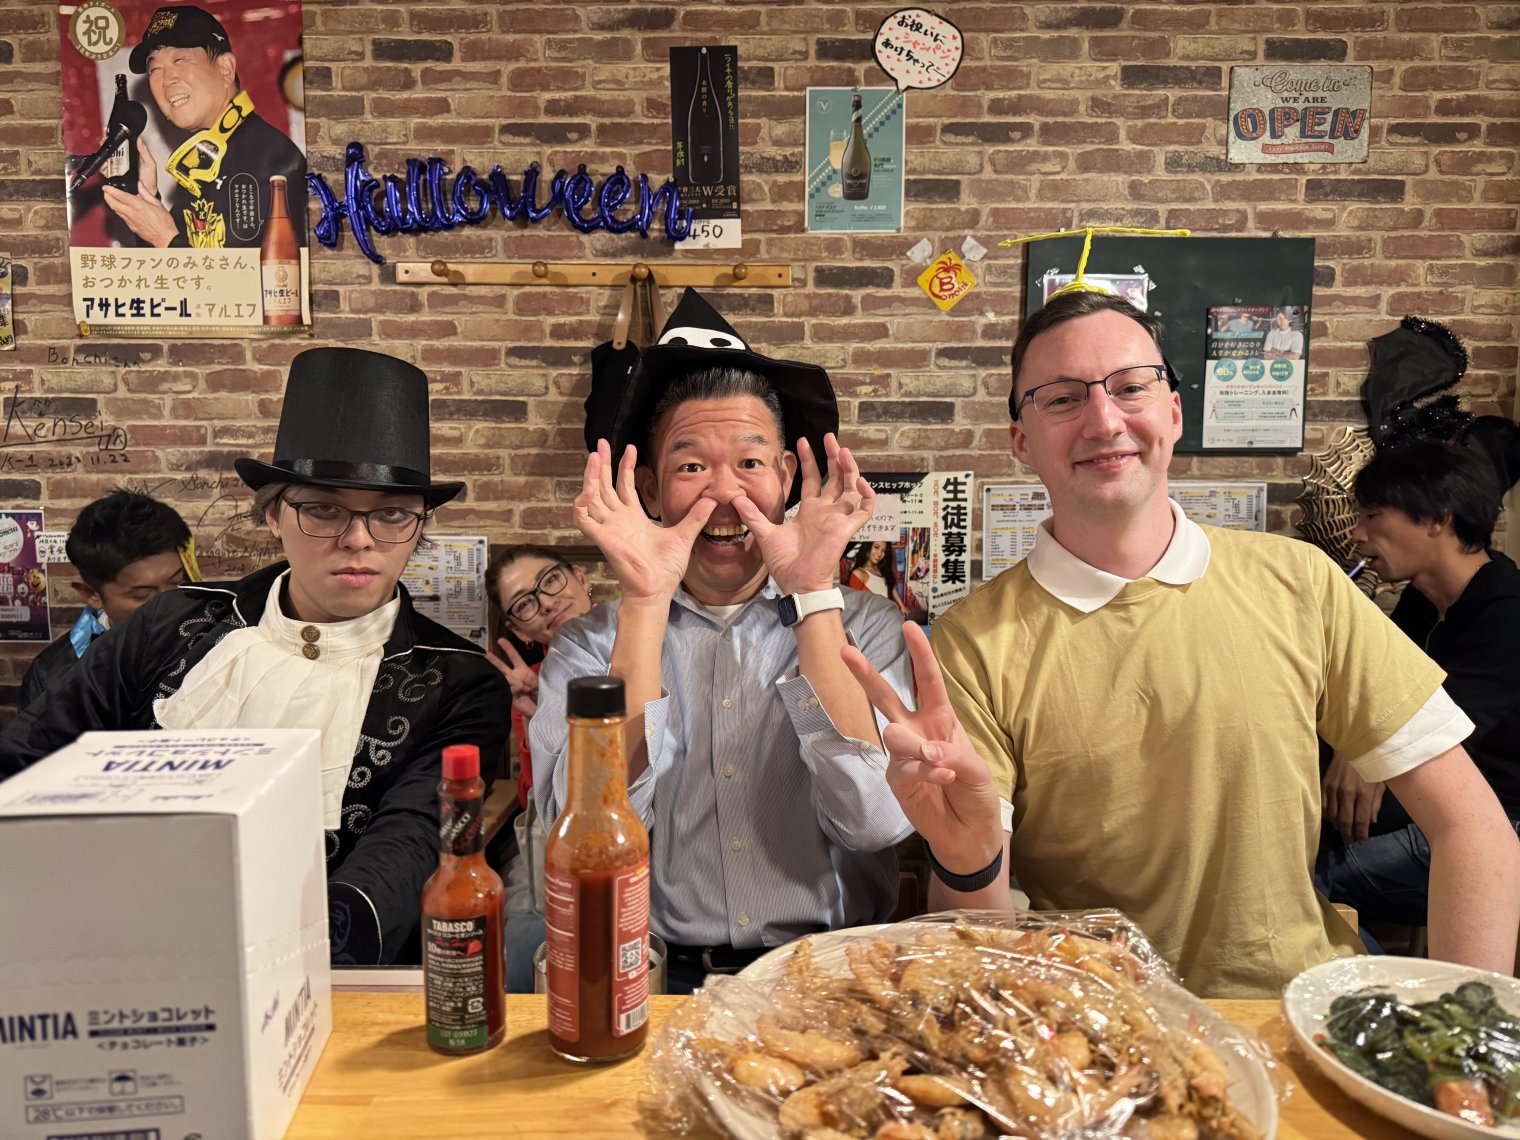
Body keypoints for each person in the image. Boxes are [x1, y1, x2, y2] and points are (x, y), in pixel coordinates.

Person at [843, 290, 1520, 998]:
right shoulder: (969, 645)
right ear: (1022, 440)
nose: (1105, 420)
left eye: (1131, 387)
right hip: (1094, 1038)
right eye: (1063, 399)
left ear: (1172, 411)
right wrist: (967, 862)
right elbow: (978, 931)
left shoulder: (1302, 584)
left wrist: (1469, 1040)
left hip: (1293, 1020)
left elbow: (1473, 828)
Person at [0, 348, 508, 966]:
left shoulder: (458, 678)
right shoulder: (173, 622)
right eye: (323, 508)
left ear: (419, 526)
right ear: (274, 514)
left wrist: (287, 958)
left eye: (393, 515)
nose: (358, 539)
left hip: (326, 974)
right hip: (112, 942)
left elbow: (410, 844)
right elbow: (38, 754)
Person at [533, 288, 914, 993]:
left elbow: (875, 819)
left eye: (749, 463)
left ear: (788, 478)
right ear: (648, 487)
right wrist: (645, 601)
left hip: (831, 980)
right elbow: (582, 838)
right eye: (689, 466)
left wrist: (811, 593)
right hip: (653, 985)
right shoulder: (588, 649)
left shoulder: (868, 630)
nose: (724, 494)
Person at [1319, 440, 1520, 924]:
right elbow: (1375, 694)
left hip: (1497, 820)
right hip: (1426, 797)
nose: (1357, 536)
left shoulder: (1509, 614)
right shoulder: (1422, 601)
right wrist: (1352, 749)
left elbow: (1431, 732)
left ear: (1437, 519)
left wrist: (1363, 752)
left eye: (1372, 517)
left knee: (1300, 878)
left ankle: (1369, 996)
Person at [483, 544, 597, 992]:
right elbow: (544, 805)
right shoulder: (529, 688)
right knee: (527, 935)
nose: (546, 602)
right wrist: (546, 717)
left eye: (550, 580)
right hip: (558, 842)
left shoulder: (647, 647)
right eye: (525, 604)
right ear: (517, 628)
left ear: (581, 578)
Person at [103, 4, 306, 249]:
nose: (167, 79)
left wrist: (164, 238)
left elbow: (249, 279)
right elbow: (168, 280)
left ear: (226, 69)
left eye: (180, 59)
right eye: (155, 69)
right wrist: (147, 195)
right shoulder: (201, 164)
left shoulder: (271, 158)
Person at [18, 491, 194, 709]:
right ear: (92, 594)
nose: (169, 604)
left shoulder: (224, 638)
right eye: (141, 595)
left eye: (177, 582)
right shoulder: (53, 677)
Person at [845, 539, 907, 616]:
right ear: (868, 547)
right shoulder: (859, 573)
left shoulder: (880, 569)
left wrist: (902, 606)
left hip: (886, 615)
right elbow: (855, 605)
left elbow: (890, 587)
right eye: (876, 547)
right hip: (873, 620)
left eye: (883, 550)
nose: (879, 553)